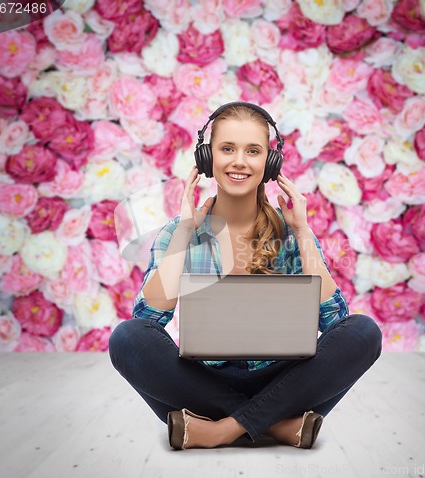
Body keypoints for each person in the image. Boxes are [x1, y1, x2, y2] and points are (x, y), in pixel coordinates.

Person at [108, 102, 383, 450]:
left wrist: (301, 233)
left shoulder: (292, 232)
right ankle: (278, 425)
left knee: (364, 332)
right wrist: (183, 235)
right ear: (207, 158)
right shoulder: (179, 232)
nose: (239, 161)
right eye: (227, 149)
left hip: (284, 380)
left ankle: (219, 430)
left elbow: (335, 324)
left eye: (253, 151)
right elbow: (147, 322)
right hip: (201, 380)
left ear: (270, 163)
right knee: (126, 338)